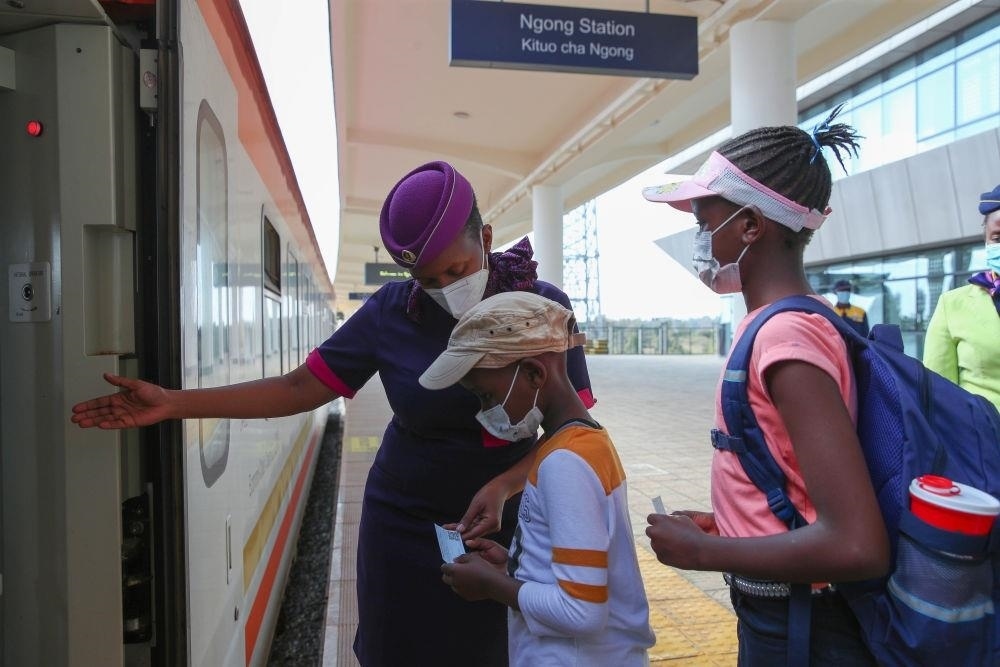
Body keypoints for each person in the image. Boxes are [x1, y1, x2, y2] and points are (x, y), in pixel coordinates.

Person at [70, 161, 595, 666]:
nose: (445, 290)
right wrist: (174, 403)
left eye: (456, 270)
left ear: (485, 239)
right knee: (398, 651)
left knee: (496, 651)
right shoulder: (392, 312)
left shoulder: (543, 309)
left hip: (511, 522)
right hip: (405, 524)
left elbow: (575, 431)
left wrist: (505, 485)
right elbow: (298, 387)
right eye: (428, 280)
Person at [641, 109, 889, 665]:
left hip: (800, 627)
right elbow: (795, 480)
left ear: (751, 225)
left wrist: (706, 553)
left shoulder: (786, 336)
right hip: (781, 612)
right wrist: (727, 525)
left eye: (704, 222)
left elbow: (856, 544)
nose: (700, 240)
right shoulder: (781, 322)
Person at [421, 291, 654, 666]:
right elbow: (579, 570)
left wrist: (493, 585)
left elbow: (581, 612)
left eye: (486, 396)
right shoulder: (584, 440)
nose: (485, 412)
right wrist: (513, 565)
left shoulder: (564, 463)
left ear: (534, 373)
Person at [923, 184, 1000, 410]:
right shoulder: (952, 305)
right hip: (983, 431)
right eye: (997, 237)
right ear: (986, 240)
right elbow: (938, 395)